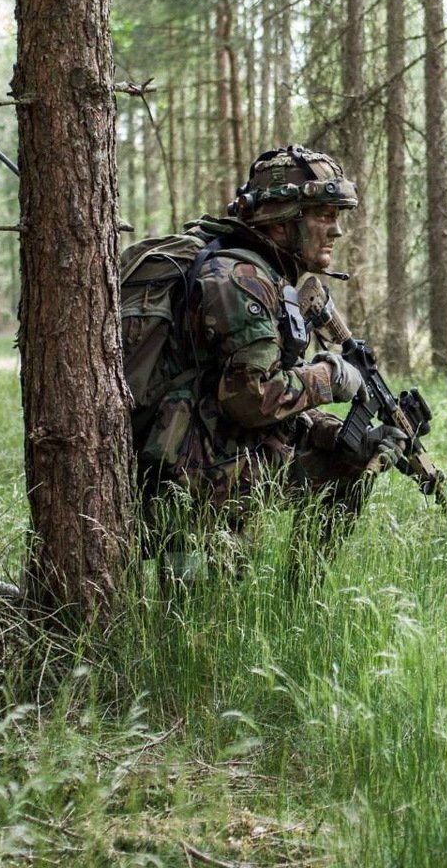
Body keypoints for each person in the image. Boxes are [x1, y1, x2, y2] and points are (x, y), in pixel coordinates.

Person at [142, 145, 408, 583]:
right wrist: (329, 377)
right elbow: (250, 400)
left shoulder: (263, 275)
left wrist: (330, 431)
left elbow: (249, 392)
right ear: (284, 221)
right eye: (323, 214)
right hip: (190, 478)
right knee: (208, 605)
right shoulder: (242, 281)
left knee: (355, 452)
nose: (336, 230)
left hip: (214, 455)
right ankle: (288, 593)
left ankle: (299, 598)